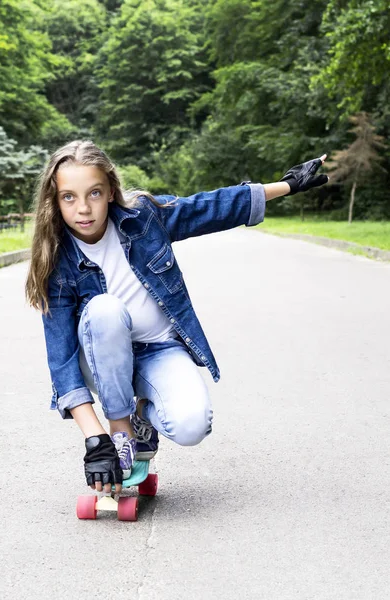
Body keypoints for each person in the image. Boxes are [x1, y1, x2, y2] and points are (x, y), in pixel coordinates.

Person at [25, 140, 328, 495]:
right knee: (105, 310)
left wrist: (288, 184)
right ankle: (121, 431)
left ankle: (141, 420)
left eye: (94, 193)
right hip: (101, 358)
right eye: (69, 197)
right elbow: (61, 361)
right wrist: (96, 439)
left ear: (110, 191)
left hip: (160, 351)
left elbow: (209, 207)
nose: (83, 209)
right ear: (55, 200)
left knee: (191, 426)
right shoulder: (57, 262)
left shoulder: (144, 217)